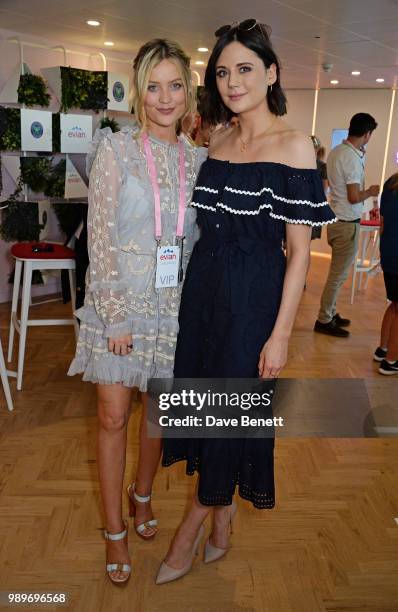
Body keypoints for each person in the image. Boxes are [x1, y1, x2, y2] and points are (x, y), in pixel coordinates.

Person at [156, 19, 335, 585]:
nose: (233, 82)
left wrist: (280, 333)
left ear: (271, 73)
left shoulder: (295, 145)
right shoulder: (218, 138)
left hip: (255, 299)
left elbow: (300, 252)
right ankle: (223, 513)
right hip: (204, 292)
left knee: (230, 414)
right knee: (203, 408)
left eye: (246, 69)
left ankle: (189, 533)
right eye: (224, 72)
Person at [68, 38, 206, 585]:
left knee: (157, 415)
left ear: (188, 90)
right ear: (139, 90)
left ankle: (141, 496)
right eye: (154, 85)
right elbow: (97, 239)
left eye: (175, 85)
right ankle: (113, 531)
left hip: (172, 306)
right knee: (112, 417)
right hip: (117, 302)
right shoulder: (116, 150)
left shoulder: (199, 159)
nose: (165, 97)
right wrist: (117, 315)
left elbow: (198, 242)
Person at [314, 113, 380, 337]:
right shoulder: (350, 158)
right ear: (368, 134)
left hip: (337, 220)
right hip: (346, 223)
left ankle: (330, 312)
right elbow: (353, 197)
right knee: (338, 275)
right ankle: (324, 318)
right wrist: (370, 192)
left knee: (337, 272)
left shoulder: (337, 152)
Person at [374, 172, 398, 375]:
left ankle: (383, 349)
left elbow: (382, 222)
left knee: (395, 304)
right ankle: (392, 360)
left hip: (389, 254)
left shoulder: (391, 182)